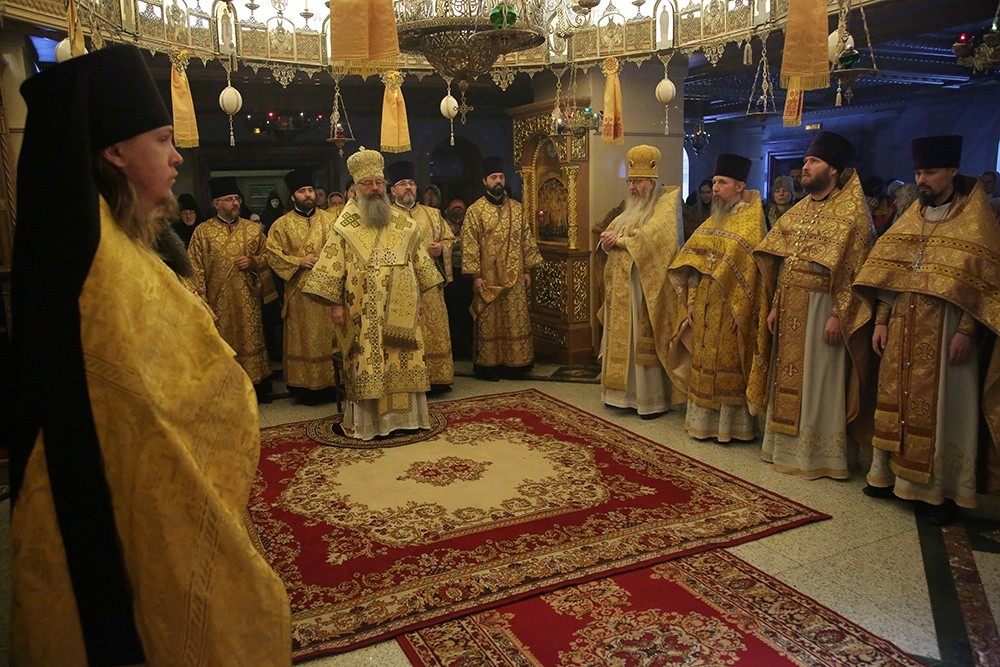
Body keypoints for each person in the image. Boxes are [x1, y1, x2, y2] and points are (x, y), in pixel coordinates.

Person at [9, 45, 289, 664]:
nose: (177, 155)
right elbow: (146, 399)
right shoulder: (100, 264)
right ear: (115, 152)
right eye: (163, 140)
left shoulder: (113, 238)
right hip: (120, 494)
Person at [855, 136, 1000, 525]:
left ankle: (939, 491)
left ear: (952, 171)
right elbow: (890, 276)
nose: (921, 179)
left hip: (947, 330)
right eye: (918, 172)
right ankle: (888, 476)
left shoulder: (975, 221)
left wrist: (967, 331)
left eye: (930, 172)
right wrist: (881, 320)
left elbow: (983, 286)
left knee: (943, 408)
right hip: (903, 326)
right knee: (895, 400)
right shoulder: (912, 216)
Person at [753, 131, 874, 480]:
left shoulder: (852, 213)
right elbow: (784, 262)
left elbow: (856, 268)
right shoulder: (799, 210)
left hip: (825, 307)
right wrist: (776, 305)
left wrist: (839, 314)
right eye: (805, 160)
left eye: (814, 161)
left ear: (833, 169)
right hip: (791, 305)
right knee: (788, 378)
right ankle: (784, 447)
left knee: (820, 378)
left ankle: (820, 454)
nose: (805, 166)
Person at [302, 147, 442, 440]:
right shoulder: (344, 226)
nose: (375, 188)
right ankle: (371, 424)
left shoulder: (404, 224)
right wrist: (335, 306)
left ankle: (407, 420)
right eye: (368, 183)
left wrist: (419, 299)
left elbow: (419, 262)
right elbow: (332, 268)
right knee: (367, 361)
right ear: (356, 189)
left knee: (404, 358)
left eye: (379, 182)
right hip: (362, 313)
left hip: (401, 311)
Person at [669, 153, 769, 441]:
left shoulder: (751, 223)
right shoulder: (714, 220)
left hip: (731, 307)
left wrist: (744, 311)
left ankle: (731, 428)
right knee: (704, 360)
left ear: (739, 186)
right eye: (714, 182)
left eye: (722, 182)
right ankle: (702, 423)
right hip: (705, 303)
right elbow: (694, 265)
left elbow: (756, 277)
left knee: (729, 363)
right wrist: (691, 300)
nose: (715, 188)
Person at [598, 145, 688, 418]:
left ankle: (647, 399)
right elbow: (613, 232)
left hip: (644, 289)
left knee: (640, 339)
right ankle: (617, 394)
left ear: (651, 182)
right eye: (630, 181)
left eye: (637, 182)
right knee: (620, 337)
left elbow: (656, 239)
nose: (632, 187)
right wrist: (608, 241)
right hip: (621, 289)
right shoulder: (629, 209)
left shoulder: (664, 206)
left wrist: (620, 241)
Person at [188, 176, 276, 402]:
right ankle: (226, 388)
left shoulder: (253, 229)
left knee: (251, 338)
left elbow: (269, 256)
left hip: (248, 299)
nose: (235, 203)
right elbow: (194, 268)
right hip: (217, 302)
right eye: (229, 199)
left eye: (237, 198)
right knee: (222, 343)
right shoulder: (202, 232)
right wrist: (203, 302)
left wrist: (253, 262)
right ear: (216, 203)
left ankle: (256, 386)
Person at [462, 156, 544, 381]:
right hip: (487, 277)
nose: (498, 181)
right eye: (493, 177)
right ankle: (489, 366)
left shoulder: (517, 209)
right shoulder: (475, 211)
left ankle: (516, 365)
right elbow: (470, 244)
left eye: (501, 177)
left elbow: (526, 239)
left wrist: (527, 270)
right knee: (489, 320)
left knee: (515, 320)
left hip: (514, 275)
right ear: (484, 181)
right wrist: (475, 276)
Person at [265, 169, 339, 405]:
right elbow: (272, 254)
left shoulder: (331, 220)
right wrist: (298, 261)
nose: (307, 195)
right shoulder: (281, 224)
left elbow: (343, 249)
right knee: (304, 339)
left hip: (328, 292)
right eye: (301, 191)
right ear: (292, 197)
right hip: (299, 294)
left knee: (330, 338)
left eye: (310, 190)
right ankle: (306, 389)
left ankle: (334, 384)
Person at [387, 160, 455, 393]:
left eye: (412, 183)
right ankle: (409, 379)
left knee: (434, 329)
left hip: (430, 284)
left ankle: (437, 378)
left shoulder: (433, 214)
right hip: (400, 285)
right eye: (402, 183)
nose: (408, 187)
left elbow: (449, 238)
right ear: (392, 190)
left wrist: (442, 247)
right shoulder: (385, 216)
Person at [443, 199, 474, 359]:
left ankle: (466, 348)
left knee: (466, 312)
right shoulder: (443, 225)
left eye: (460, 211)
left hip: (466, 274)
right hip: (449, 275)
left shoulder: (469, 225)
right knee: (451, 312)